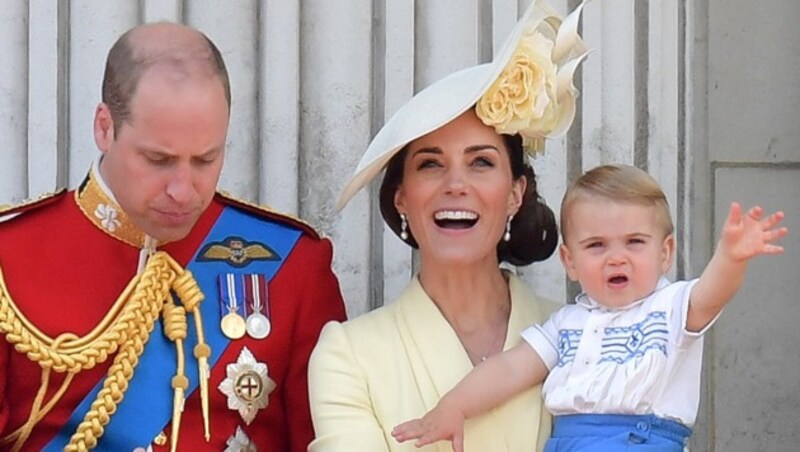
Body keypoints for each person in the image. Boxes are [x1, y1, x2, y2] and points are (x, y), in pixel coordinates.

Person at [0, 22, 346, 452]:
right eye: (158, 159)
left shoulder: (292, 264)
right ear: (104, 127)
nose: (184, 190)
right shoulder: (9, 258)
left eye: (205, 159)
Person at [307, 1, 588, 450]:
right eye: (430, 165)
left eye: (481, 162)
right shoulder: (349, 355)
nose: (456, 185)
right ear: (402, 196)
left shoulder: (578, 330)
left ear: (516, 192)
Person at [393, 164, 789, 451]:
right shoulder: (567, 324)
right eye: (596, 246)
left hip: (643, 441)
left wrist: (731, 258)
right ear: (569, 261)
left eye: (634, 242)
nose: (616, 258)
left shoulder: (671, 307)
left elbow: (712, 295)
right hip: (568, 441)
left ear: (665, 252)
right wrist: (454, 407)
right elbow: (510, 367)